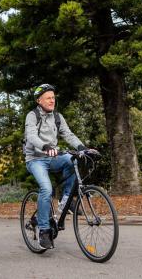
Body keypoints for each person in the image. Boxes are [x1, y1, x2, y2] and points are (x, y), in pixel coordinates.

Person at [24, 83, 97, 250]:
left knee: (74, 160)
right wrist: (45, 147)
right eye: (48, 98)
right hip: (35, 159)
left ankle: (66, 202)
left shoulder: (58, 117)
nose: (52, 101)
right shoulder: (32, 116)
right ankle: (43, 230)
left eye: (53, 98)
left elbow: (68, 134)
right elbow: (31, 136)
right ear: (39, 100)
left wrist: (83, 149)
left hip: (54, 156)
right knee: (46, 189)